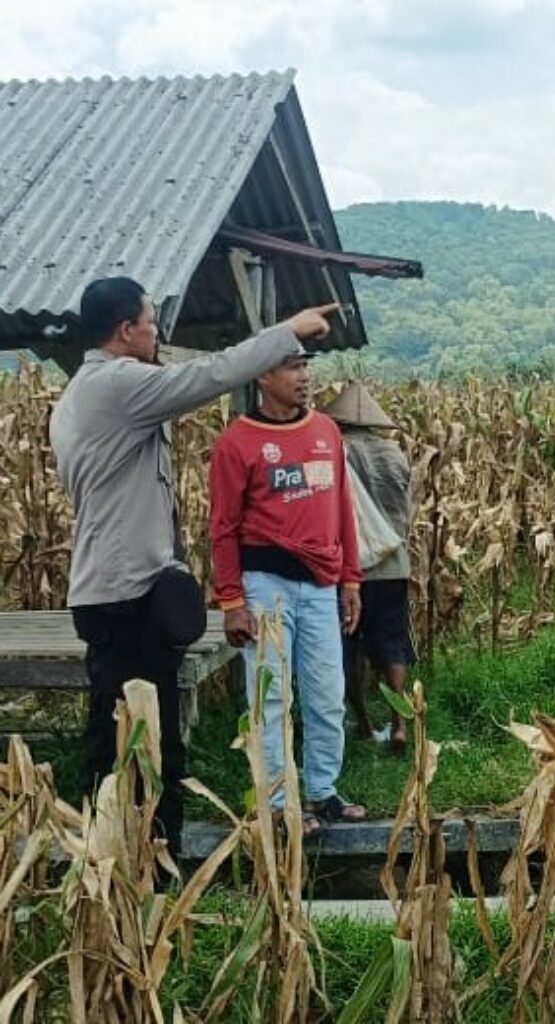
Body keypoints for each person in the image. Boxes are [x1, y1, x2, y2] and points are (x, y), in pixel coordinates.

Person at [49, 276, 338, 856]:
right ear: (126, 331)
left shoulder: (80, 393)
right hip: (126, 595)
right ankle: (143, 863)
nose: (158, 333)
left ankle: (126, 856)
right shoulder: (119, 384)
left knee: (123, 732)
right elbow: (210, 375)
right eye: (152, 322)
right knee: (136, 741)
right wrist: (286, 331)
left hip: (115, 590)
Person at [209, 350, 367, 836]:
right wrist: (232, 601)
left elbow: (343, 507)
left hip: (321, 583)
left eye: (305, 367)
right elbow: (223, 527)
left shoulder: (325, 432)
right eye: (292, 368)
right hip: (265, 585)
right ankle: (277, 801)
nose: (304, 378)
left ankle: (323, 791)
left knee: (326, 693)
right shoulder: (237, 443)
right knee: (271, 695)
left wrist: (350, 578)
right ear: (263, 375)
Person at [324, 383, 415, 755]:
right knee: (393, 644)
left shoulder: (335, 452)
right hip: (394, 565)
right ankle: (400, 725)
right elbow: (407, 510)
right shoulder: (395, 453)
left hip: (350, 570)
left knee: (348, 646)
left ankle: (362, 722)